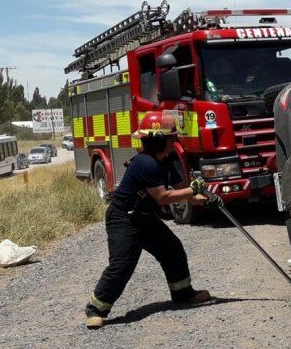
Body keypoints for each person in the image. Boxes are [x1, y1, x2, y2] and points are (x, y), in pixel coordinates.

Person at [84, 112, 211, 329]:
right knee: (122, 263)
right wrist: (193, 190)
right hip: (123, 218)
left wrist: (205, 198)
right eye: (172, 138)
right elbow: (163, 197)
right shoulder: (145, 163)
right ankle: (96, 309)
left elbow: (182, 190)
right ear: (159, 140)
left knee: (172, 249)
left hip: (143, 217)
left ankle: (182, 293)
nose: (175, 141)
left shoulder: (168, 161)